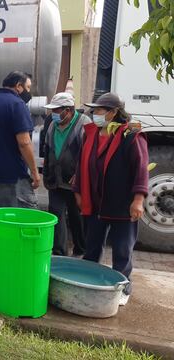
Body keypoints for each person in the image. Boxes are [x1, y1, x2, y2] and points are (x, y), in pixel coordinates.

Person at [73, 92, 149, 305]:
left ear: (113, 113)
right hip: (96, 203)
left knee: (122, 252)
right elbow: (81, 166)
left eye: (98, 110)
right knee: (92, 248)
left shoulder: (130, 136)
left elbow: (141, 169)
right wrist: (79, 192)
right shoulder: (91, 134)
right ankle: (88, 283)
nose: (93, 114)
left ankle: (122, 290)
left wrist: (138, 200)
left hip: (121, 205)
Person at [0, 71, 40, 269]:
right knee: (17, 218)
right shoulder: (17, 105)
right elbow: (24, 142)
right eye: (27, 88)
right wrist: (35, 171)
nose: (28, 93)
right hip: (11, 175)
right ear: (18, 86)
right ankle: (13, 261)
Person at [42, 92, 90, 256]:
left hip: (74, 182)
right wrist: (46, 173)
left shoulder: (84, 124)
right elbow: (47, 149)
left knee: (76, 216)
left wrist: (80, 175)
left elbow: (88, 154)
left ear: (68, 110)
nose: (53, 114)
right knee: (56, 214)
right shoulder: (52, 125)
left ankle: (81, 250)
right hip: (55, 180)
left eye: (57, 110)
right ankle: (59, 252)